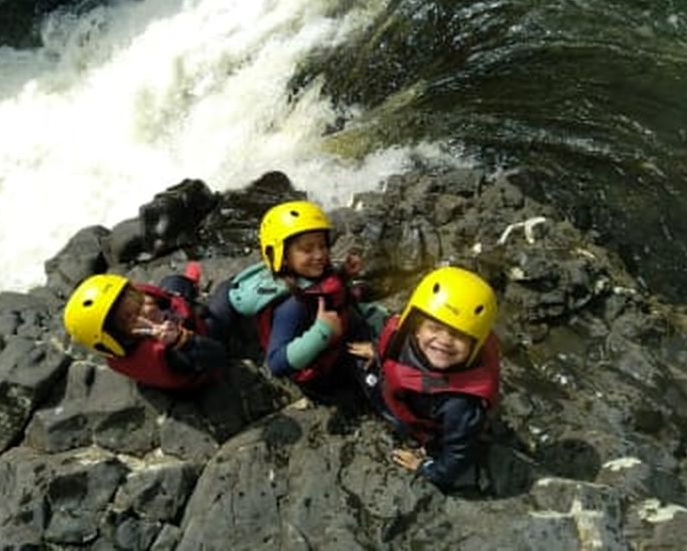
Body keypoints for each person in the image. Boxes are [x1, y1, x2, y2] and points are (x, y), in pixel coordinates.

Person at [206, 200, 381, 398]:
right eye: (307, 249)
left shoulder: (307, 274)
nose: (319, 255)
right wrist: (322, 332)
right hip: (321, 362)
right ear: (283, 257)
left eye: (323, 246)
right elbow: (276, 363)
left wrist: (344, 274)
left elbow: (322, 285)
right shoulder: (292, 306)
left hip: (331, 326)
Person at [348, 266, 500, 491]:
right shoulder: (403, 336)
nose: (445, 341)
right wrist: (376, 351)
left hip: (423, 421)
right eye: (435, 328)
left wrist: (427, 468)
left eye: (458, 335)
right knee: (351, 362)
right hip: (401, 388)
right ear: (416, 327)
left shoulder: (460, 404)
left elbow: (456, 457)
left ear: (474, 345)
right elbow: (398, 351)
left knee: (365, 388)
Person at [63, 264, 227, 390]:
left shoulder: (116, 346)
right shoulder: (167, 356)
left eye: (138, 299)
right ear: (118, 339)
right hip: (202, 347)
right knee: (226, 291)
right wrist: (181, 340)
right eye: (131, 318)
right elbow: (219, 356)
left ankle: (188, 288)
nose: (147, 308)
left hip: (171, 325)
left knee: (172, 282)